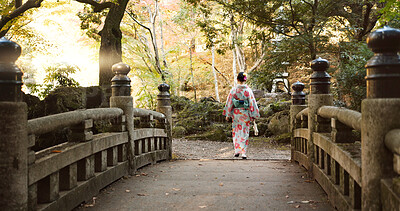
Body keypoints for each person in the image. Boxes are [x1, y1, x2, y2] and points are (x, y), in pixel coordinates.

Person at [223, 72, 260, 159]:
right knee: (245, 132)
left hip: (236, 113)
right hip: (245, 113)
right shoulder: (248, 90)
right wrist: (253, 114)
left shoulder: (234, 90)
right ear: (245, 79)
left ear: (237, 79)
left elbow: (230, 102)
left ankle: (236, 151)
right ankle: (243, 152)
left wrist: (228, 114)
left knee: (236, 131)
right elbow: (252, 103)